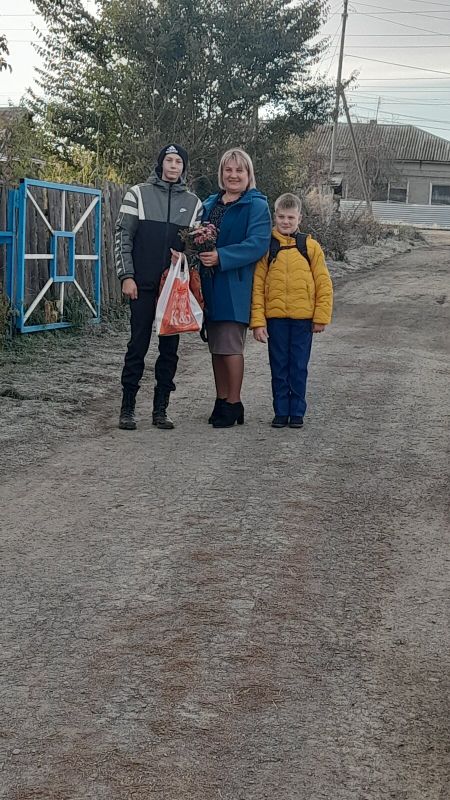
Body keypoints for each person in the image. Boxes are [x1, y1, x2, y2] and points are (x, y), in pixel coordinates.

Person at [115, 144, 202, 431]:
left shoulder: (193, 203)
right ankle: (127, 408)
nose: (173, 165)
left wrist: (185, 257)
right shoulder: (137, 194)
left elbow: (197, 246)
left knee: (169, 349)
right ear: (161, 163)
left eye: (179, 162)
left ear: (184, 167)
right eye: (169, 160)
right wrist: (126, 276)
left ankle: (161, 409)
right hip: (141, 283)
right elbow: (123, 236)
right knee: (137, 345)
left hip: (172, 287)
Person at [199, 148, 271, 428]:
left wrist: (222, 256)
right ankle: (221, 399)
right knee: (216, 347)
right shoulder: (209, 204)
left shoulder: (256, 205)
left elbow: (257, 244)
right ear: (221, 173)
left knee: (230, 345)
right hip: (210, 283)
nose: (233, 175)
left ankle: (234, 402)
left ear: (248, 174)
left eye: (239, 170)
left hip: (235, 282)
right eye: (228, 170)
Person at [250, 193, 333, 429]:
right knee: (279, 367)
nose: (285, 222)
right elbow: (258, 286)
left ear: (299, 219)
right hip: (275, 320)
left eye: (290, 217)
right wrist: (258, 322)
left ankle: (296, 412)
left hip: (303, 320)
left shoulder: (310, 246)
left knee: (298, 366)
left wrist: (321, 317)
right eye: (281, 217)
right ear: (274, 217)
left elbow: (323, 283)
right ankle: (280, 411)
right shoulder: (268, 247)